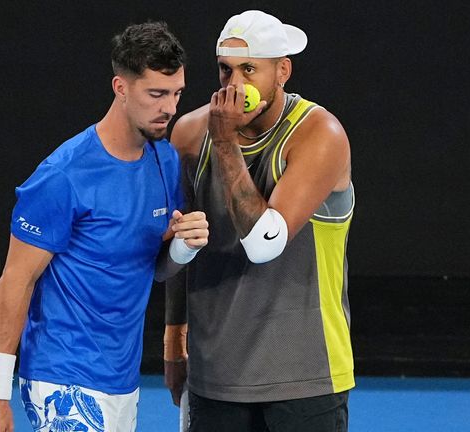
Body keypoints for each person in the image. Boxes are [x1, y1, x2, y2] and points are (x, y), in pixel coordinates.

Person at [0, 21, 209, 432]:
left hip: (121, 377)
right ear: (120, 88)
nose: (169, 107)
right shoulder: (63, 175)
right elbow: (16, 280)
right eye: (156, 94)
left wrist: (184, 246)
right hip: (61, 372)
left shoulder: (165, 162)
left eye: (176, 94)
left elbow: (152, 268)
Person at [163, 10, 355, 432]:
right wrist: (174, 339)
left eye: (249, 70)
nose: (235, 86)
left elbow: (265, 242)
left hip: (305, 378)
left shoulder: (320, 135)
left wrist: (226, 142)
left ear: (282, 71)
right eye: (226, 70)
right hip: (215, 379)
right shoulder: (190, 134)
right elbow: (182, 243)